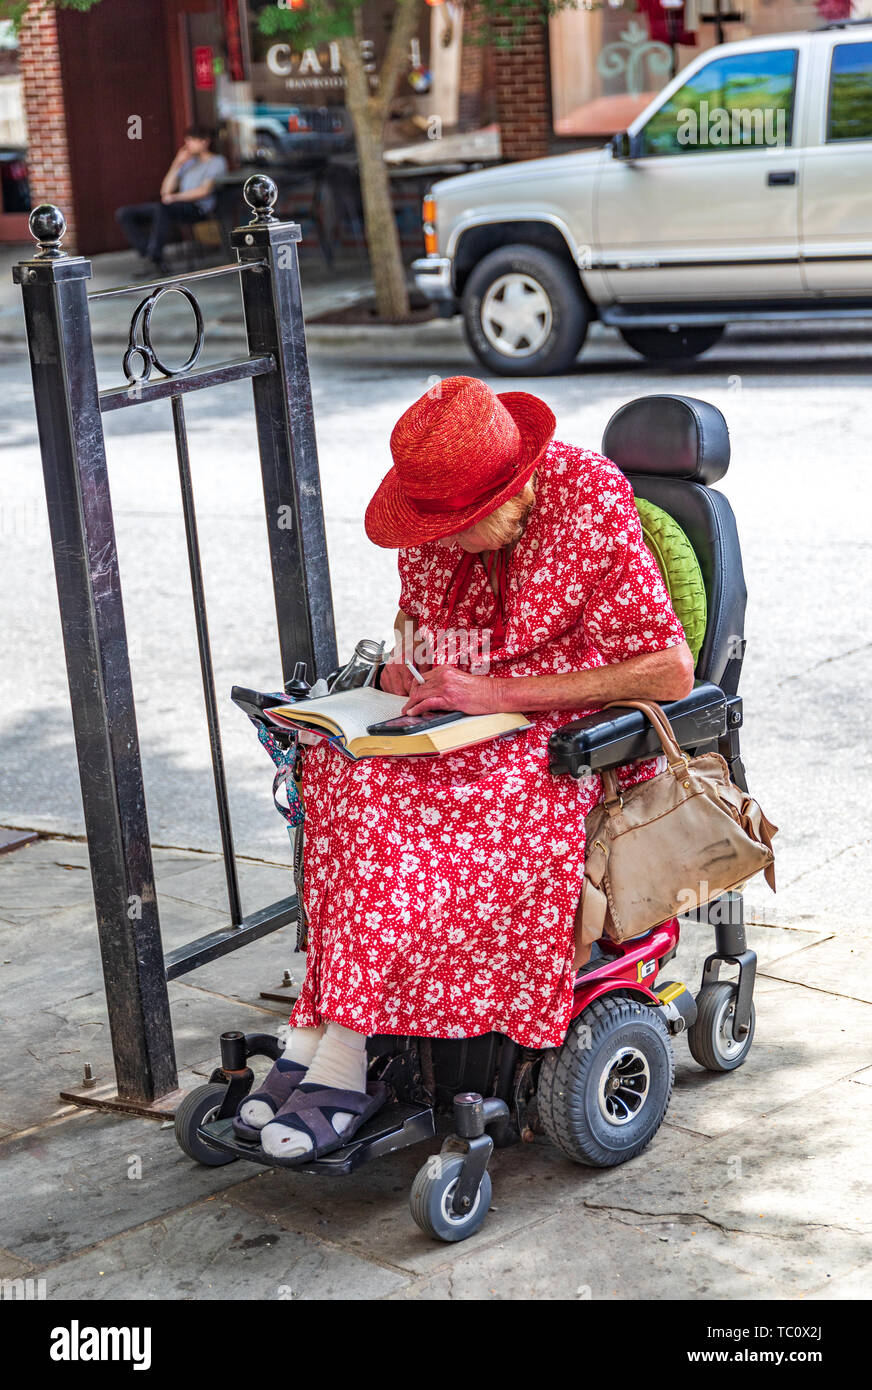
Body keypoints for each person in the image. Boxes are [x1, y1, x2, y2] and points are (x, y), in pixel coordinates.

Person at [235, 376, 694, 1162]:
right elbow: (418, 626)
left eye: (455, 527)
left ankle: (341, 1053)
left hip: (567, 733)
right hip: (466, 717)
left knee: (401, 814)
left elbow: (670, 671)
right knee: (341, 774)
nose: (438, 541)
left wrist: (497, 690)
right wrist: (408, 669)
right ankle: (321, 1028)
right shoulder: (431, 525)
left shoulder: (589, 500)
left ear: (510, 498)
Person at [115, 127, 227, 275]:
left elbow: (204, 191)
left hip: (197, 208)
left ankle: (155, 257)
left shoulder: (216, 162)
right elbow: (165, 191)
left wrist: (174, 198)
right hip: (173, 206)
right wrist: (176, 163)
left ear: (205, 142)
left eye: (192, 140)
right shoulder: (188, 163)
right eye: (187, 140)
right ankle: (151, 255)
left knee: (164, 208)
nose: (188, 144)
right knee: (125, 213)